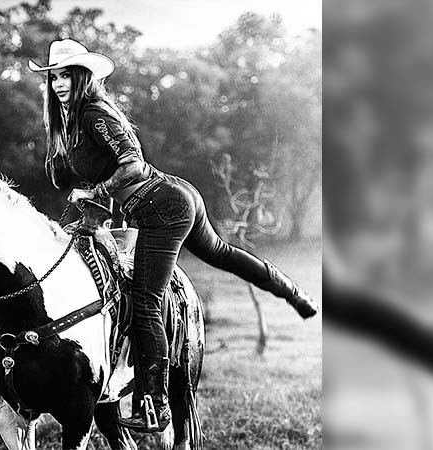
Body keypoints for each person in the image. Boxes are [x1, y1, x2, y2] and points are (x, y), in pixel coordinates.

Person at [28, 39, 318, 432]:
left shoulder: (95, 113)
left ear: (83, 78)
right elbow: (74, 175)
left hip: (160, 206)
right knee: (223, 254)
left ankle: (155, 402)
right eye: (53, 78)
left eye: (66, 76)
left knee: (146, 300)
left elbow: (132, 164)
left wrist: (94, 191)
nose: (59, 84)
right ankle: (295, 294)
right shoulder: (73, 122)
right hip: (171, 197)